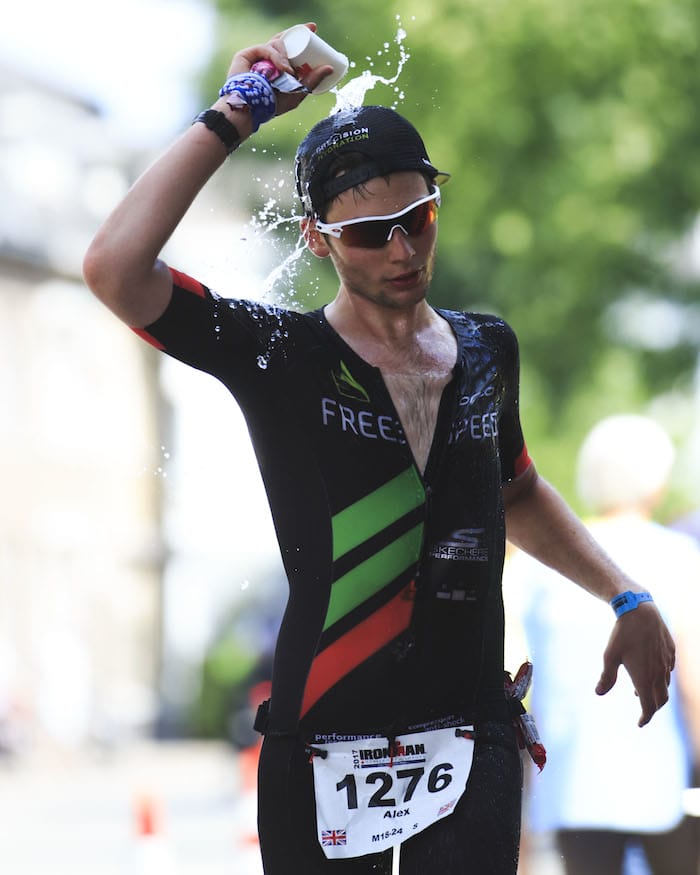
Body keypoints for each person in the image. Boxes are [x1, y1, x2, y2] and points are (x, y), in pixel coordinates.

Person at [82, 24, 676, 875]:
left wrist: (625, 595)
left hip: (471, 729)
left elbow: (515, 490)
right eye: (370, 234)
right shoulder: (280, 354)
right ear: (318, 239)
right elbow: (113, 268)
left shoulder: (485, 348)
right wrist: (236, 112)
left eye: (418, 219)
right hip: (322, 736)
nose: (402, 251)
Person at [506, 415, 700, 875]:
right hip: (660, 786)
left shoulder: (536, 562)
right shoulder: (675, 555)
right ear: (656, 482)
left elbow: (515, 673)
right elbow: (692, 677)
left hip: (571, 781)